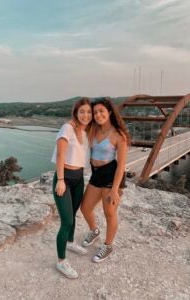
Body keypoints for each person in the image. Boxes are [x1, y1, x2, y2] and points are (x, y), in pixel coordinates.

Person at [81, 97, 130, 263]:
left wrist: (115, 189)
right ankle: (94, 230)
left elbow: (121, 165)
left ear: (109, 112)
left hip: (111, 175)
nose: (97, 115)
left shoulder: (119, 135)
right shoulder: (93, 130)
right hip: (96, 175)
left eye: (101, 111)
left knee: (109, 212)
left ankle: (108, 245)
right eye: (95, 112)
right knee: (85, 208)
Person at [51, 97, 93, 279]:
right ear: (76, 113)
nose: (85, 115)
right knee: (66, 221)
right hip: (64, 178)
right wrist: (60, 179)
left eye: (88, 112)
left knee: (73, 214)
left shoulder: (88, 131)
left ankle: (70, 242)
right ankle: (61, 261)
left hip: (79, 178)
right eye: (82, 111)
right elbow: (61, 154)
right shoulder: (67, 128)